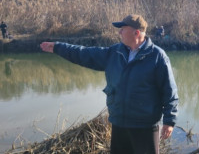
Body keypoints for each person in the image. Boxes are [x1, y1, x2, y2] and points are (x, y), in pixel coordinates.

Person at [40, 14, 178, 154]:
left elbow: (169, 91)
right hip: (119, 123)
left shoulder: (157, 57)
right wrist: (58, 47)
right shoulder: (114, 52)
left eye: (123, 29)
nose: (119, 32)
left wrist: (169, 121)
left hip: (145, 127)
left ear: (136, 33)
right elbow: (84, 54)